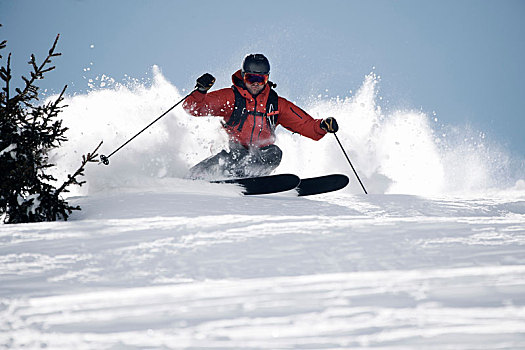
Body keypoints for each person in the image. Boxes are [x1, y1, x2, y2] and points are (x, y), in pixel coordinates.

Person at [183, 53, 338, 180]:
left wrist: (322, 126)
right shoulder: (231, 97)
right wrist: (200, 91)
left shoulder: (275, 104)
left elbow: (305, 125)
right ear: (243, 77)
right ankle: (198, 176)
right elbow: (195, 109)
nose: (256, 84)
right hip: (232, 150)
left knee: (275, 153)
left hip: (259, 154)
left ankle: (248, 176)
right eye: (251, 79)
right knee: (238, 155)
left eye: (261, 79)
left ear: (267, 78)